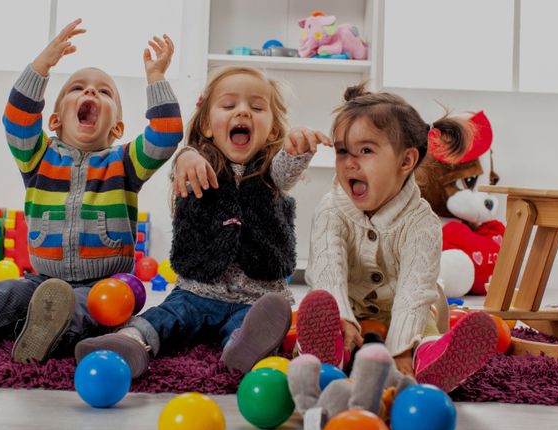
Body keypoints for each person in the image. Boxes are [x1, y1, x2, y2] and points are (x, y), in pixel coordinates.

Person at [0, 19, 183, 363]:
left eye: (104, 92)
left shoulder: (125, 162)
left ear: (117, 127)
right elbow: (17, 118)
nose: (90, 93)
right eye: (78, 88)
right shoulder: (37, 156)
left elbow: (166, 134)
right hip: (42, 278)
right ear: (55, 120)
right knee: (8, 294)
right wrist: (42, 65)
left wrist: (157, 78)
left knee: (98, 307)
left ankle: (50, 329)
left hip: (105, 282)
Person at [75, 66, 327, 377]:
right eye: (229, 105)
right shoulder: (197, 164)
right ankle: (129, 341)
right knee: (166, 317)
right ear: (207, 125)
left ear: (273, 130)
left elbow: (286, 169)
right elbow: (184, 170)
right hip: (196, 293)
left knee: (251, 327)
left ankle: (243, 348)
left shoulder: (270, 172)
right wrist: (185, 156)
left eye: (257, 107)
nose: (244, 112)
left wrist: (297, 149)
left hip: (256, 299)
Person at [297, 84, 497, 392]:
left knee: (424, 327)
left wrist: (401, 350)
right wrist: (342, 317)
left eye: (365, 151)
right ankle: (328, 353)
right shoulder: (331, 210)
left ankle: (429, 360)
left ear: (406, 162)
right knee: (323, 305)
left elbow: (414, 291)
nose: (350, 162)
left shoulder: (421, 222)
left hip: (407, 312)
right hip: (350, 306)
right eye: (342, 151)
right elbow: (327, 270)